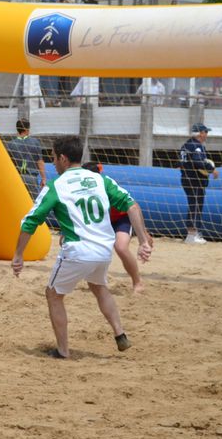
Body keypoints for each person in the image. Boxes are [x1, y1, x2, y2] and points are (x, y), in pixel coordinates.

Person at [11, 136, 153, 359]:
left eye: (54, 158)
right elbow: (132, 205)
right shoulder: (100, 179)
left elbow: (31, 220)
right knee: (99, 287)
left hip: (78, 251)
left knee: (53, 295)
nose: (53, 163)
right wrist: (143, 240)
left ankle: (63, 351)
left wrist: (18, 255)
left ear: (63, 159)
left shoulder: (56, 185)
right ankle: (120, 334)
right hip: (104, 251)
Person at [83, 162, 144, 292]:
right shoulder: (82, 190)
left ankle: (137, 282)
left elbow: (134, 206)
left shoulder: (108, 185)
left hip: (121, 219)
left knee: (121, 247)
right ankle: (95, 280)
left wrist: (144, 235)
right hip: (103, 222)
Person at [180, 123, 219, 244]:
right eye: (206, 132)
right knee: (196, 206)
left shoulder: (185, 145)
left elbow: (182, 162)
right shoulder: (196, 146)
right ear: (200, 133)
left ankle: (193, 234)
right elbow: (198, 162)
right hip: (195, 180)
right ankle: (192, 235)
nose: (207, 135)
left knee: (193, 205)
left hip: (186, 179)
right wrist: (212, 169)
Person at [4, 118, 46, 199]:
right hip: (31, 177)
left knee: (18, 201)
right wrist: (43, 178)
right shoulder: (35, 142)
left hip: (17, 178)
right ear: (27, 129)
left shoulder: (10, 144)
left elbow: (9, 164)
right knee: (33, 203)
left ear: (17, 129)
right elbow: (40, 162)